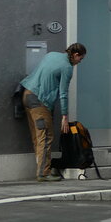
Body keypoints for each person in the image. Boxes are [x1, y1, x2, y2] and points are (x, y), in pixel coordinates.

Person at [21, 43, 86, 181]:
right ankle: (43, 173)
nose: (80, 62)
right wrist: (64, 116)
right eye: (80, 59)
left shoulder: (51, 55)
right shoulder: (67, 68)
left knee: (38, 137)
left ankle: (42, 168)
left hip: (27, 95)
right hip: (40, 102)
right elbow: (63, 93)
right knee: (46, 136)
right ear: (75, 55)